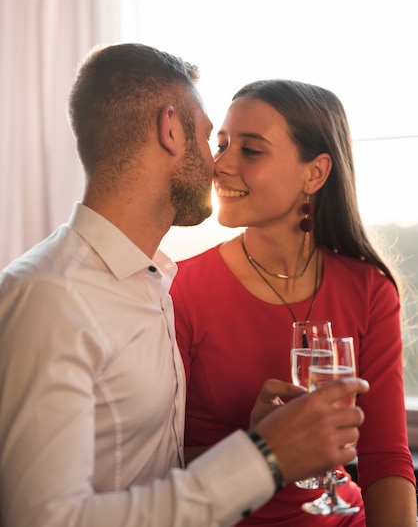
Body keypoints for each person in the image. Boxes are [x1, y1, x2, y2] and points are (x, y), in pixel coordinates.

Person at [0, 44, 369, 527]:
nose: (218, 164)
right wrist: (264, 457)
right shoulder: (50, 296)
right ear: (170, 129)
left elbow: (146, 475)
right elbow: (41, 520)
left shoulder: (151, 285)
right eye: (209, 136)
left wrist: (255, 442)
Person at [171, 79, 417, 527]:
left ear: (315, 173)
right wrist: (260, 446)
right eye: (221, 144)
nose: (220, 164)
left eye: (250, 150)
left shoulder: (369, 289)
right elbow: (155, 466)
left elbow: (384, 458)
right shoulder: (181, 289)